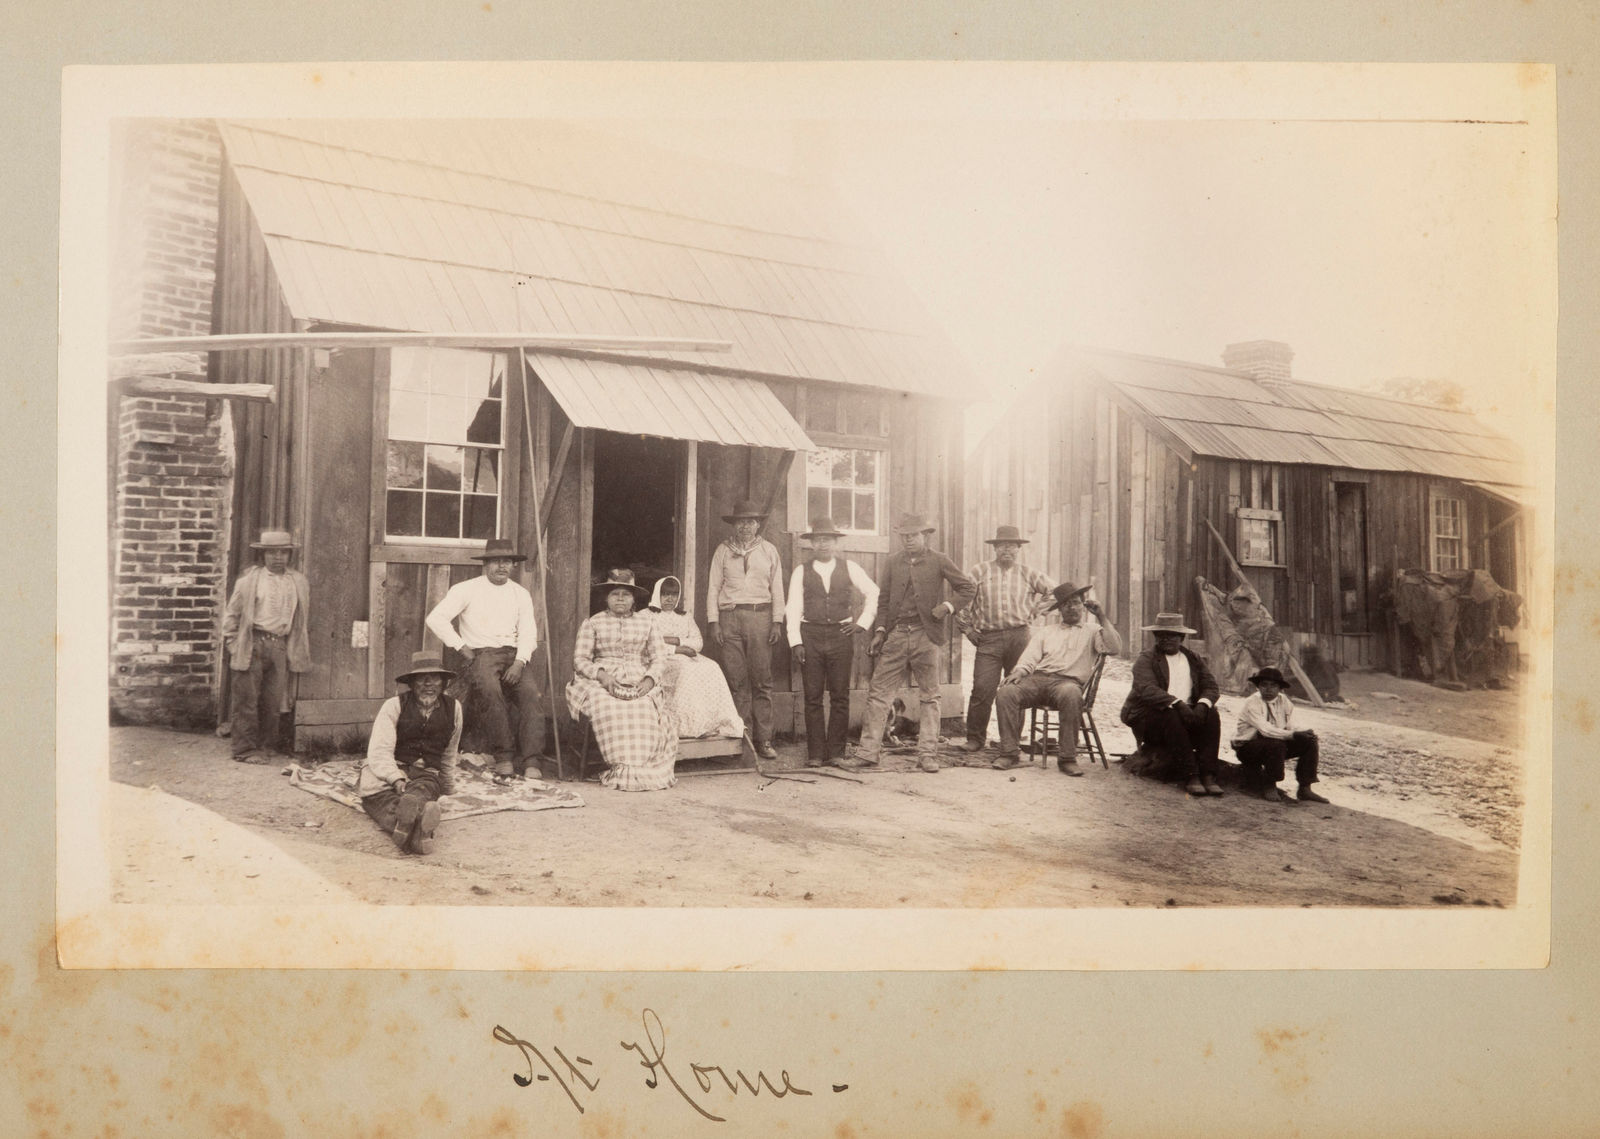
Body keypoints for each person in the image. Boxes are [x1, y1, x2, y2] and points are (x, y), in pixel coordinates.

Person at [842, 511, 976, 774]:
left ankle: (927, 754)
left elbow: (967, 588)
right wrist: (881, 631)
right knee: (878, 693)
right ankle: (868, 753)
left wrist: (947, 606)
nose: (908, 541)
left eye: (913, 535)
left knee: (930, 696)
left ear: (924, 536)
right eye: (904, 536)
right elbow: (884, 600)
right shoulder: (893, 563)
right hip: (896, 635)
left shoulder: (939, 561)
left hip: (926, 636)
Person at [424, 537, 543, 783]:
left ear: (513, 565)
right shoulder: (466, 589)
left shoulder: (520, 593)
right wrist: (461, 647)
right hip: (483, 654)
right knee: (490, 691)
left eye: (507, 562)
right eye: (496, 562)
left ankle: (532, 759)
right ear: (485, 565)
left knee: (531, 694)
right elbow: (436, 618)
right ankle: (504, 756)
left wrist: (520, 662)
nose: (502, 567)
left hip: (514, 654)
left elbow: (529, 632)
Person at [992, 582, 1123, 774]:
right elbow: (1029, 658)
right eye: (1066, 604)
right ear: (1060, 609)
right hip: (1038, 680)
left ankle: (1067, 758)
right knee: (1006, 692)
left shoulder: (1093, 631)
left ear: (1084, 606)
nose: (1072, 607)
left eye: (1076, 603)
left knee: (1071, 694)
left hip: (1067, 683)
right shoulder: (1047, 631)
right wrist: (1019, 672)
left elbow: (1114, 649)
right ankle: (1009, 753)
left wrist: (1101, 616)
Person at [566, 569, 678, 791]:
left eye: (625, 595)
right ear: (606, 598)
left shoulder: (647, 623)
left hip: (638, 677)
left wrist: (648, 680)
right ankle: (621, 766)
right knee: (608, 704)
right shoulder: (593, 622)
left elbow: (659, 658)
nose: (620, 599)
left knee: (643, 706)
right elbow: (580, 659)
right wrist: (602, 676)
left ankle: (640, 768)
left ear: (634, 599)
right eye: (615, 594)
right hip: (599, 680)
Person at [784, 517, 880, 767]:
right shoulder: (801, 571)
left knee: (840, 695)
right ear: (812, 544)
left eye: (828, 539)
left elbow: (873, 593)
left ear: (836, 543)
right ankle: (815, 753)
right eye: (818, 540)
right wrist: (796, 642)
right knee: (813, 696)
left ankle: (836, 752)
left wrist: (862, 623)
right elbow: (793, 607)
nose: (823, 544)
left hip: (841, 636)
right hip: (811, 636)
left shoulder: (849, 567)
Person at [958, 524, 1057, 752]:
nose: (1007, 550)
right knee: (982, 689)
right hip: (989, 639)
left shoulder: (1027, 573)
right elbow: (963, 599)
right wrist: (968, 629)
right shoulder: (979, 571)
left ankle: (1010, 741)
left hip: (1020, 638)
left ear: (1018, 549)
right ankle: (975, 739)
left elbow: (1055, 591)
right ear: (995, 548)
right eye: (1003, 545)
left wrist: (1035, 611)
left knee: (1016, 689)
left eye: (1012, 546)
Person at [705, 499, 787, 761]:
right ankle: (743, 738)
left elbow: (777, 589)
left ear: (757, 524)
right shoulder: (723, 551)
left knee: (761, 681)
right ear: (735, 524)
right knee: (737, 680)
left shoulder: (769, 551)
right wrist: (713, 621)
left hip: (759, 617)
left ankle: (765, 741)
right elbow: (713, 588)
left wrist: (777, 621)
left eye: (751, 522)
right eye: (741, 522)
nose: (745, 526)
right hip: (729, 618)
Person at [357, 652, 462, 856]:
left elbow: (450, 751)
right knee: (375, 796)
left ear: (443, 683)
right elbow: (379, 751)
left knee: (422, 791)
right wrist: (396, 778)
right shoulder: (393, 705)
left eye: (435, 678)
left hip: (425, 772)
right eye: (422, 678)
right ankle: (419, 835)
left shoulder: (455, 708)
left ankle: (407, 828)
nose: (429, 683)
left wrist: (448, 786)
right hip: (392, 767)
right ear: (412, 683)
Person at [221, 529, 311, 763]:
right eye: (272, 553)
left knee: (273, 701)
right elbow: (231, 617)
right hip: (253, 643)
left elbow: (300, 618)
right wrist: (234, 644)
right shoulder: (249, 581)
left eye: (283, 552)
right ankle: (244, 749)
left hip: (279, 645)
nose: (278, 557)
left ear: (290, 555)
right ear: (263, 555)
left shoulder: (297, 582)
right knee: (247, 699)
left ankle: (266, 746)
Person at [1119, 612, 1225, 797]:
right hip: (1150, 718)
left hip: (1186, 716)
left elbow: (1211, 686)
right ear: (1156, 637)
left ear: (1181, 637)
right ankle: (1191, 774)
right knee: (1170, 714)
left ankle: (1208, 774)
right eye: (1161, 635)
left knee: (1212, 713)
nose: (1166, 639)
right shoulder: (1147, 659)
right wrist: (1177, 703)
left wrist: (1202, 704)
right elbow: (1147, 689)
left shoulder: (1193, 659)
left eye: (1172, 635)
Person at [647, 575, 744, 740]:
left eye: (674, 594)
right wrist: (677, 648)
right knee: (687, 670)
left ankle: (709, 722)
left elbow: (697, 642)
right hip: (662, 658)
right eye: (665, 594)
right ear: (657, 594)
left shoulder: (685, 616)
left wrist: (674, 639)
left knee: (712, 666)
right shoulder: (647, 615)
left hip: (689, 655)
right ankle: (686, 726)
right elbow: (648, 643)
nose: (669, 598)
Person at [1231, 666, 1330, 803]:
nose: (1268, 689)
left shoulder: (1284, 701)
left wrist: (1303, 732)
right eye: (1264, 685)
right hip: (1248, 748)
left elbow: (1292, 724)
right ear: (1258, 687)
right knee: (1276, 743)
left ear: (1280, 688)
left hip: (1275, 747)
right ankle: (1269, 784)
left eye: (1273, 685)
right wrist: (1293, 735)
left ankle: (1305, 788)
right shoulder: (1252, 703)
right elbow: (1266, 730)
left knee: (1309, 742)